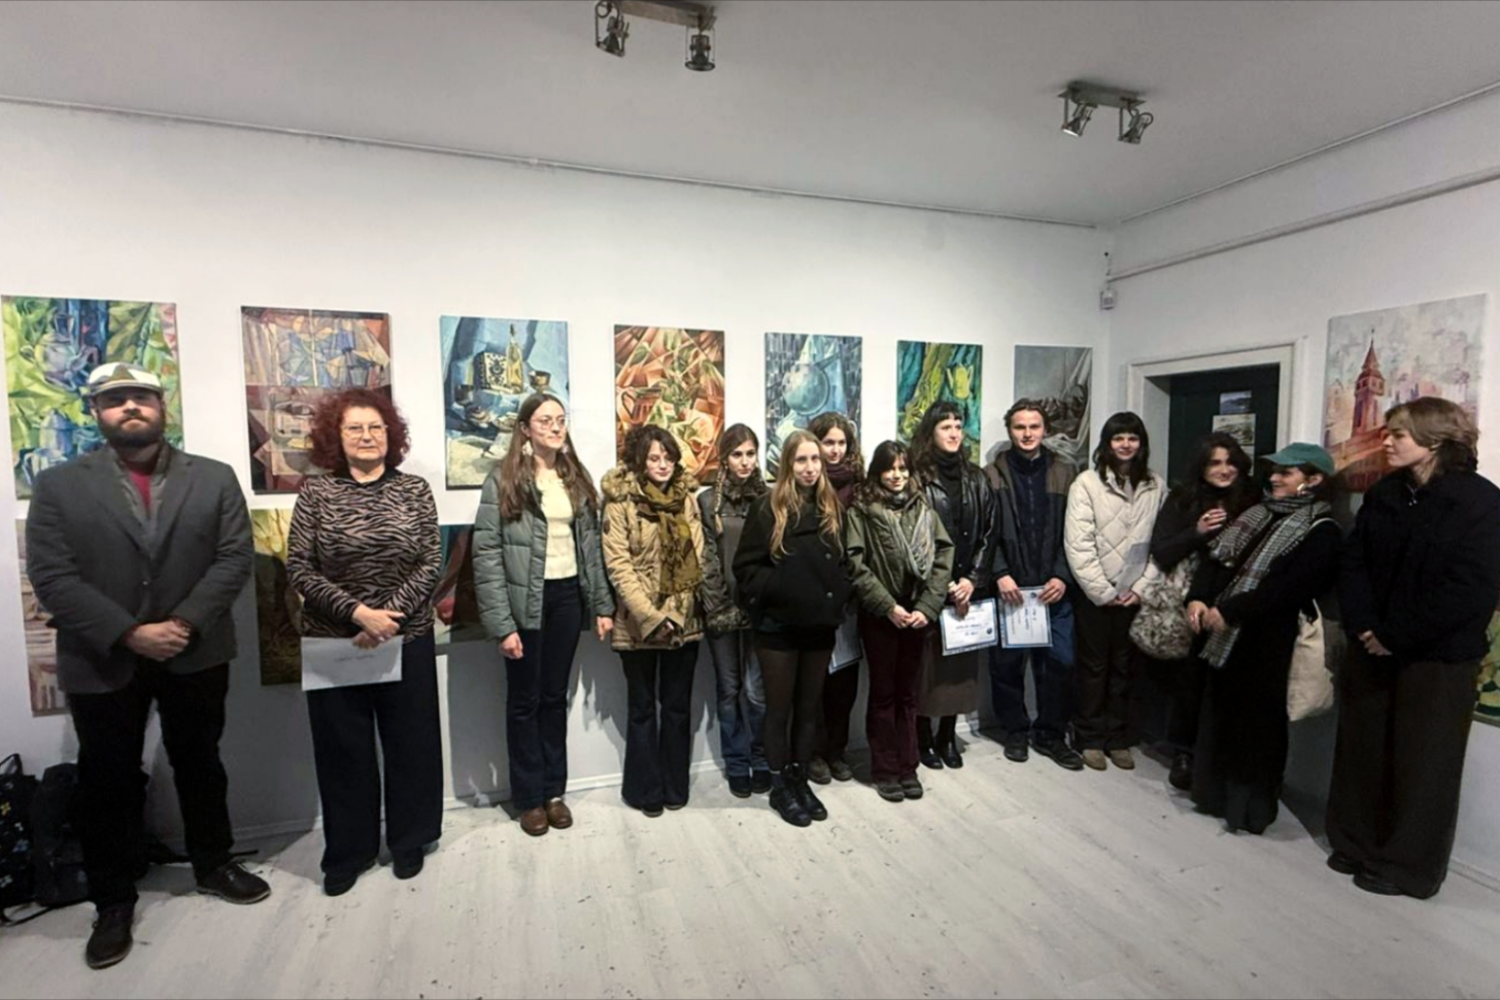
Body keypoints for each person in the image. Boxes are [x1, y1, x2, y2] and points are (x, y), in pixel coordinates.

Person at [27, 363, 269, 969]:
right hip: (102, 654)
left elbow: (234, 557)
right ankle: (113, 901)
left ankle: (213, 863)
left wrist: (182, 623)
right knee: (106, 779)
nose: (130, 407)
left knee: (201, 762)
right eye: (116, 400)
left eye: (141, 397)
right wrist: (130, 633)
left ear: (162, 406)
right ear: (96, 412)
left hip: (196, 648)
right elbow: (52, 576)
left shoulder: (213, 477)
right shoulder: (57, 485)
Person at [1327, 398, 1500, 898]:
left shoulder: (1480, 502)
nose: (1387, 442)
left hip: (1438, 658)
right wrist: (1365, 626)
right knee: (1363, 749)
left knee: (1425, 763)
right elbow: (1354, 562)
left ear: (1435, 440)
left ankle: (1406, 866)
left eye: (1398, 434)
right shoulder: (1386, 493)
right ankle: (1355, 842)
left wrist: (1394, 634)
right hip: (1372, 646)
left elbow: (1469, 589)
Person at [286, 388, 444, 896]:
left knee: (412, 745)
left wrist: (389, 617)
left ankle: (410, 840)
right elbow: (299, 567)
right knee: (343, 751)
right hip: (335, 642)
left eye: (376, 427)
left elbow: (430, 561)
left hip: (406, 635)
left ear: (390, 435)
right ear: (336, 436)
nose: (367, 436)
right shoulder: (316, 493)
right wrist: (358, 613)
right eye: (354, 427)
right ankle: (349, 852)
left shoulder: (415, 490)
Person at [473, 393, 614, 837]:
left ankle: (554, 792)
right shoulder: (502, 480)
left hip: (567, 598)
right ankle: (529, 798)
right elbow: (486, 556)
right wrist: (502, 625)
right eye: (545, 420)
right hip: (523, 604)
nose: (555, 427)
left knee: (554, 698)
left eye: (560, 420)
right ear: (525, 429)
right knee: (524, 702)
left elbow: (590, 547)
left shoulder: (574, 476)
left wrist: (603, 605)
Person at [1185, 443, 1341, 834]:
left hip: (1269, 642)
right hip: (1226, 638)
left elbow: (1288, 589)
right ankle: (1212, 796)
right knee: (1221, 718)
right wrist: (1199, 598)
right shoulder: (1257, 514)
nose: (1274, 478)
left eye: (1286, 472)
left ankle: (1248, 811)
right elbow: (1217, 561)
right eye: (1274, 471)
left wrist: (1232, 610)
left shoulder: (1322, 531)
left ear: (1314, 479)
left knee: (1258, 730)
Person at [734, 429, 852, 827]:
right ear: (787, 463)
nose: (810, 467)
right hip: (777, 627)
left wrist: (837, 596)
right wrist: (782, 590)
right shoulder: (767, 507)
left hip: (819, 625)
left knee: (808, 709)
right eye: (802, 460)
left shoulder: (831, 507)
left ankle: (800, 779)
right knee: (778, 709)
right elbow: (746, 568)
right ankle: (780, 784)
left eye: (815, 459)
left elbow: (845, 563)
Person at [602, 426, 719, 816]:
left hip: (683, 622)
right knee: (641, 709)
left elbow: (697, 556)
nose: (662, 465)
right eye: (654, 458)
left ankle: (674, 785)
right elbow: (619, 566)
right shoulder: (620, 502)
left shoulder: (687, 499)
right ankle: (645, 789)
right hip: (636, 624)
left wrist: (676, 614)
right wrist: (653, 617)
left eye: (668, 458)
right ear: (640, 460)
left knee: (677, 707)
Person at [1145, 432, 1256, 790]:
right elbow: (1162, 551)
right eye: (1215, 463)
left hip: (1237, 603)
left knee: (1229, 683)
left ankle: (1221, 757)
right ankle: (1184, 753)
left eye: (1230, 462)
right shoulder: (1183, 498)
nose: (1224, 470)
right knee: (1188, 681)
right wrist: (1196, 532)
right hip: (1187, 601)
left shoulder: (1252, 499)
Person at [844, 440, 953, 802]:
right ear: (877, 472)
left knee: (909, 694)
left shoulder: (923, 509)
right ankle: (885, 769)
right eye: (889, 469)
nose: (896, 475)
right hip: (881, 614)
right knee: (883, 693)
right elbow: (856, 564)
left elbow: (942, 558)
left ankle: (909, 767)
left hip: (918, 613)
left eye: (902, 468)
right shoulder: (861, 511)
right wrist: (887, 606)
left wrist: (927, 606)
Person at [984, 400, 1085, 772]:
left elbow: (1076, 532)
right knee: (1006, 666)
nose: (1027, 434)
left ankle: (1051, 734)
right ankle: (1015, 730)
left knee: (1059, 664)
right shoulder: (991, 475)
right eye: (1020, 427)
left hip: (1053, 588)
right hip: (1010, 588)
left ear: (1045, 430)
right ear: (1009, 430)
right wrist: (999, 573)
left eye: (1034, 427)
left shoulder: (1066, 472)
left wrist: (1061, 574)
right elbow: (985, 531)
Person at [1064, 411, 1165, 771]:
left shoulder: (1155, 484)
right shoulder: (1087, 484)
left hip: (1134, 594)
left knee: (1126, 668)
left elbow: (1162, 542)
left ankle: (1118, 737)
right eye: (1118, 438)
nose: (1125, 445)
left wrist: (1140, 588)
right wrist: (1103, 592)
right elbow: (1078, 544)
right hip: (1096, 595)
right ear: (1107, 443)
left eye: (1132, 438)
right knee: (1093, 667)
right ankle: (1089, 737)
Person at [910, 401, 997, 770]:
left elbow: (989, 532)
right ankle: (921, 736)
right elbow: (913, 538)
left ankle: (947, 735)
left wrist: (972, 580)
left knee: (959, 670)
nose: (954, 433)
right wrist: (941, 582)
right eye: (946, 427)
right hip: (929, 590)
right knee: (924, 670)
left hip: (966, 591)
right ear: (930, 432)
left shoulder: (976, 478)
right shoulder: (916, 476)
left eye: (958, 426)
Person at [698, 424, 771, 798]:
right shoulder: (707, 501)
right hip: (722, 608)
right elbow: (705, 557)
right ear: (724, 458)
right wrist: (717, 604)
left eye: (750, 453)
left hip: (759, 609)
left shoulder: (769, 498)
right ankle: (737, 762)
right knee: (729, 690)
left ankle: (761, 757)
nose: (745, 462)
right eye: (737, 454)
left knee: (758, 691)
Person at [806, 411, 865, 784]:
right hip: (813, 596)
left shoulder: (860, 487)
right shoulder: (805, 483)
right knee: (813, 681)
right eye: (828, 442)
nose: (835, 450)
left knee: (844, 681)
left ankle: (837, 751)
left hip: (850, 597)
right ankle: (813, 752)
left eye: (841, 443)